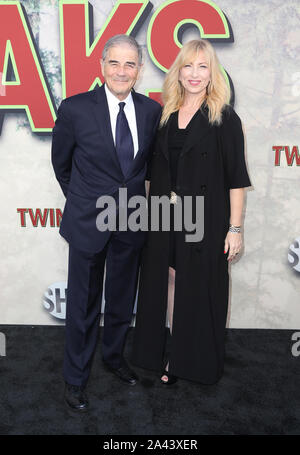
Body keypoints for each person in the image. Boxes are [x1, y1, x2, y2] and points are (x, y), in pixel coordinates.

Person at [51, 34, 161, 411]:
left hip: (131, 219)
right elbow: (61, 165)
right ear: (102, 65)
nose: (122, 71)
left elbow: (144, 167)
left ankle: (113, 358)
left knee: (121, 298)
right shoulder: (75, 109)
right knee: (81, 304)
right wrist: (85, 202)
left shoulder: (151, 111)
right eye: (114, 62)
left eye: (130, 64)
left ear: (140, 69)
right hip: (87, 221)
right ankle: (75, 379)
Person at [131, 39, 251, 385]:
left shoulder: (224, 118)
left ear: (212, 73)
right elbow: (155, 173)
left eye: (203, 67)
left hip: (206, 218)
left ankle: (194, 361)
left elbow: (236, 180)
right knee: (168, 281)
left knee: (199, 286)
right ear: (178, 72)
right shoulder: (165, 114)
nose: (195, 74)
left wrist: (235, 229)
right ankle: (171, 352)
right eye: (188, 66)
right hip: (164, 218)